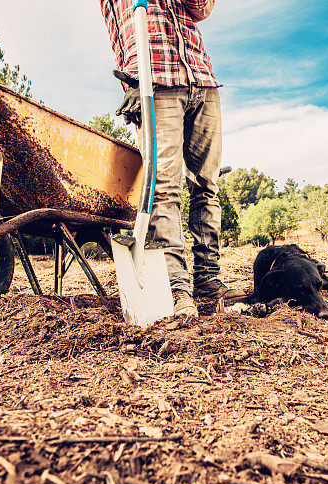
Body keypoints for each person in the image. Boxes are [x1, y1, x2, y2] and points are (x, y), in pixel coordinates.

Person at [99, 0, 244, 317]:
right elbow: (121, 24)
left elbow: (201, 9)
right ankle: (177, 289)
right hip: (154, 81)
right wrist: (131, 81)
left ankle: (208, 279)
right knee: (165, 188)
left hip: (200, 79)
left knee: (207, 186)